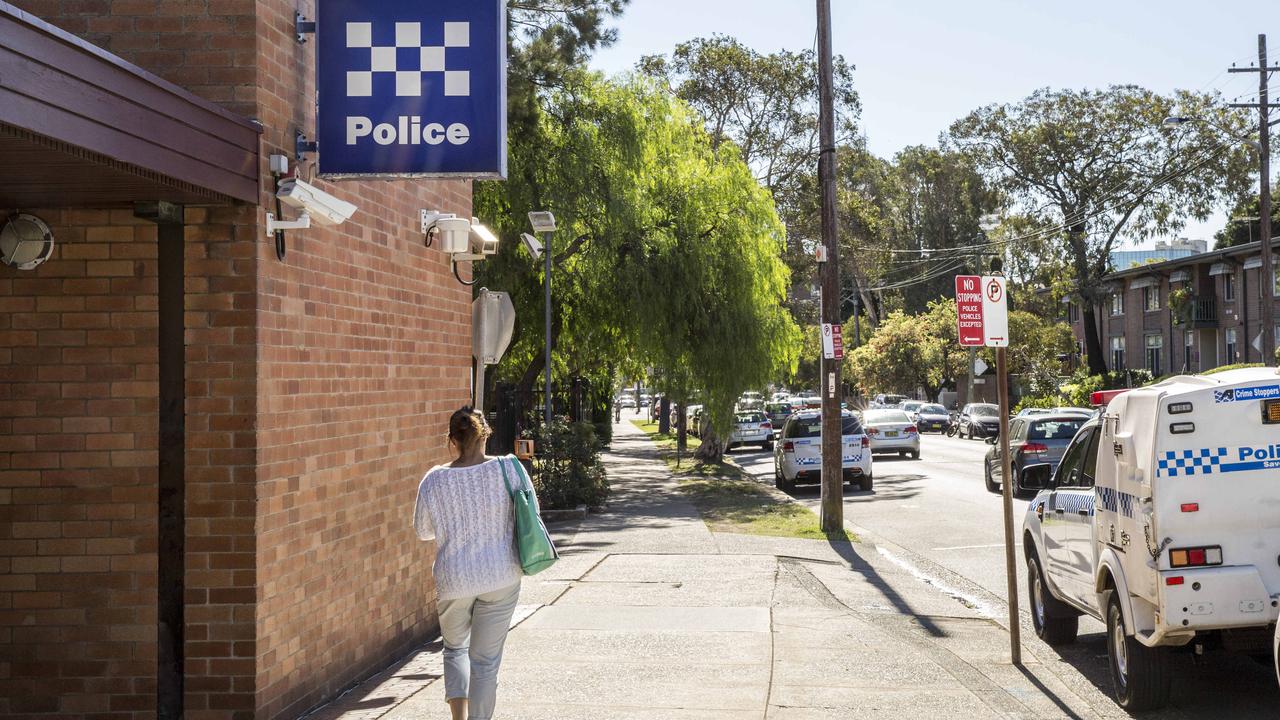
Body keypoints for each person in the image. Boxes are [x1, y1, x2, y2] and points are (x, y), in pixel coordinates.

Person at [413, 407, 523, 720]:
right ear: (486, 434)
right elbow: (530, 513)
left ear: (452, 441)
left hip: (453, 579)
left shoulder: (434, 480)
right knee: (485, 663)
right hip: (500, 574)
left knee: (455, 649)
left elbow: (423, 531)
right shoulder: (509, 468)